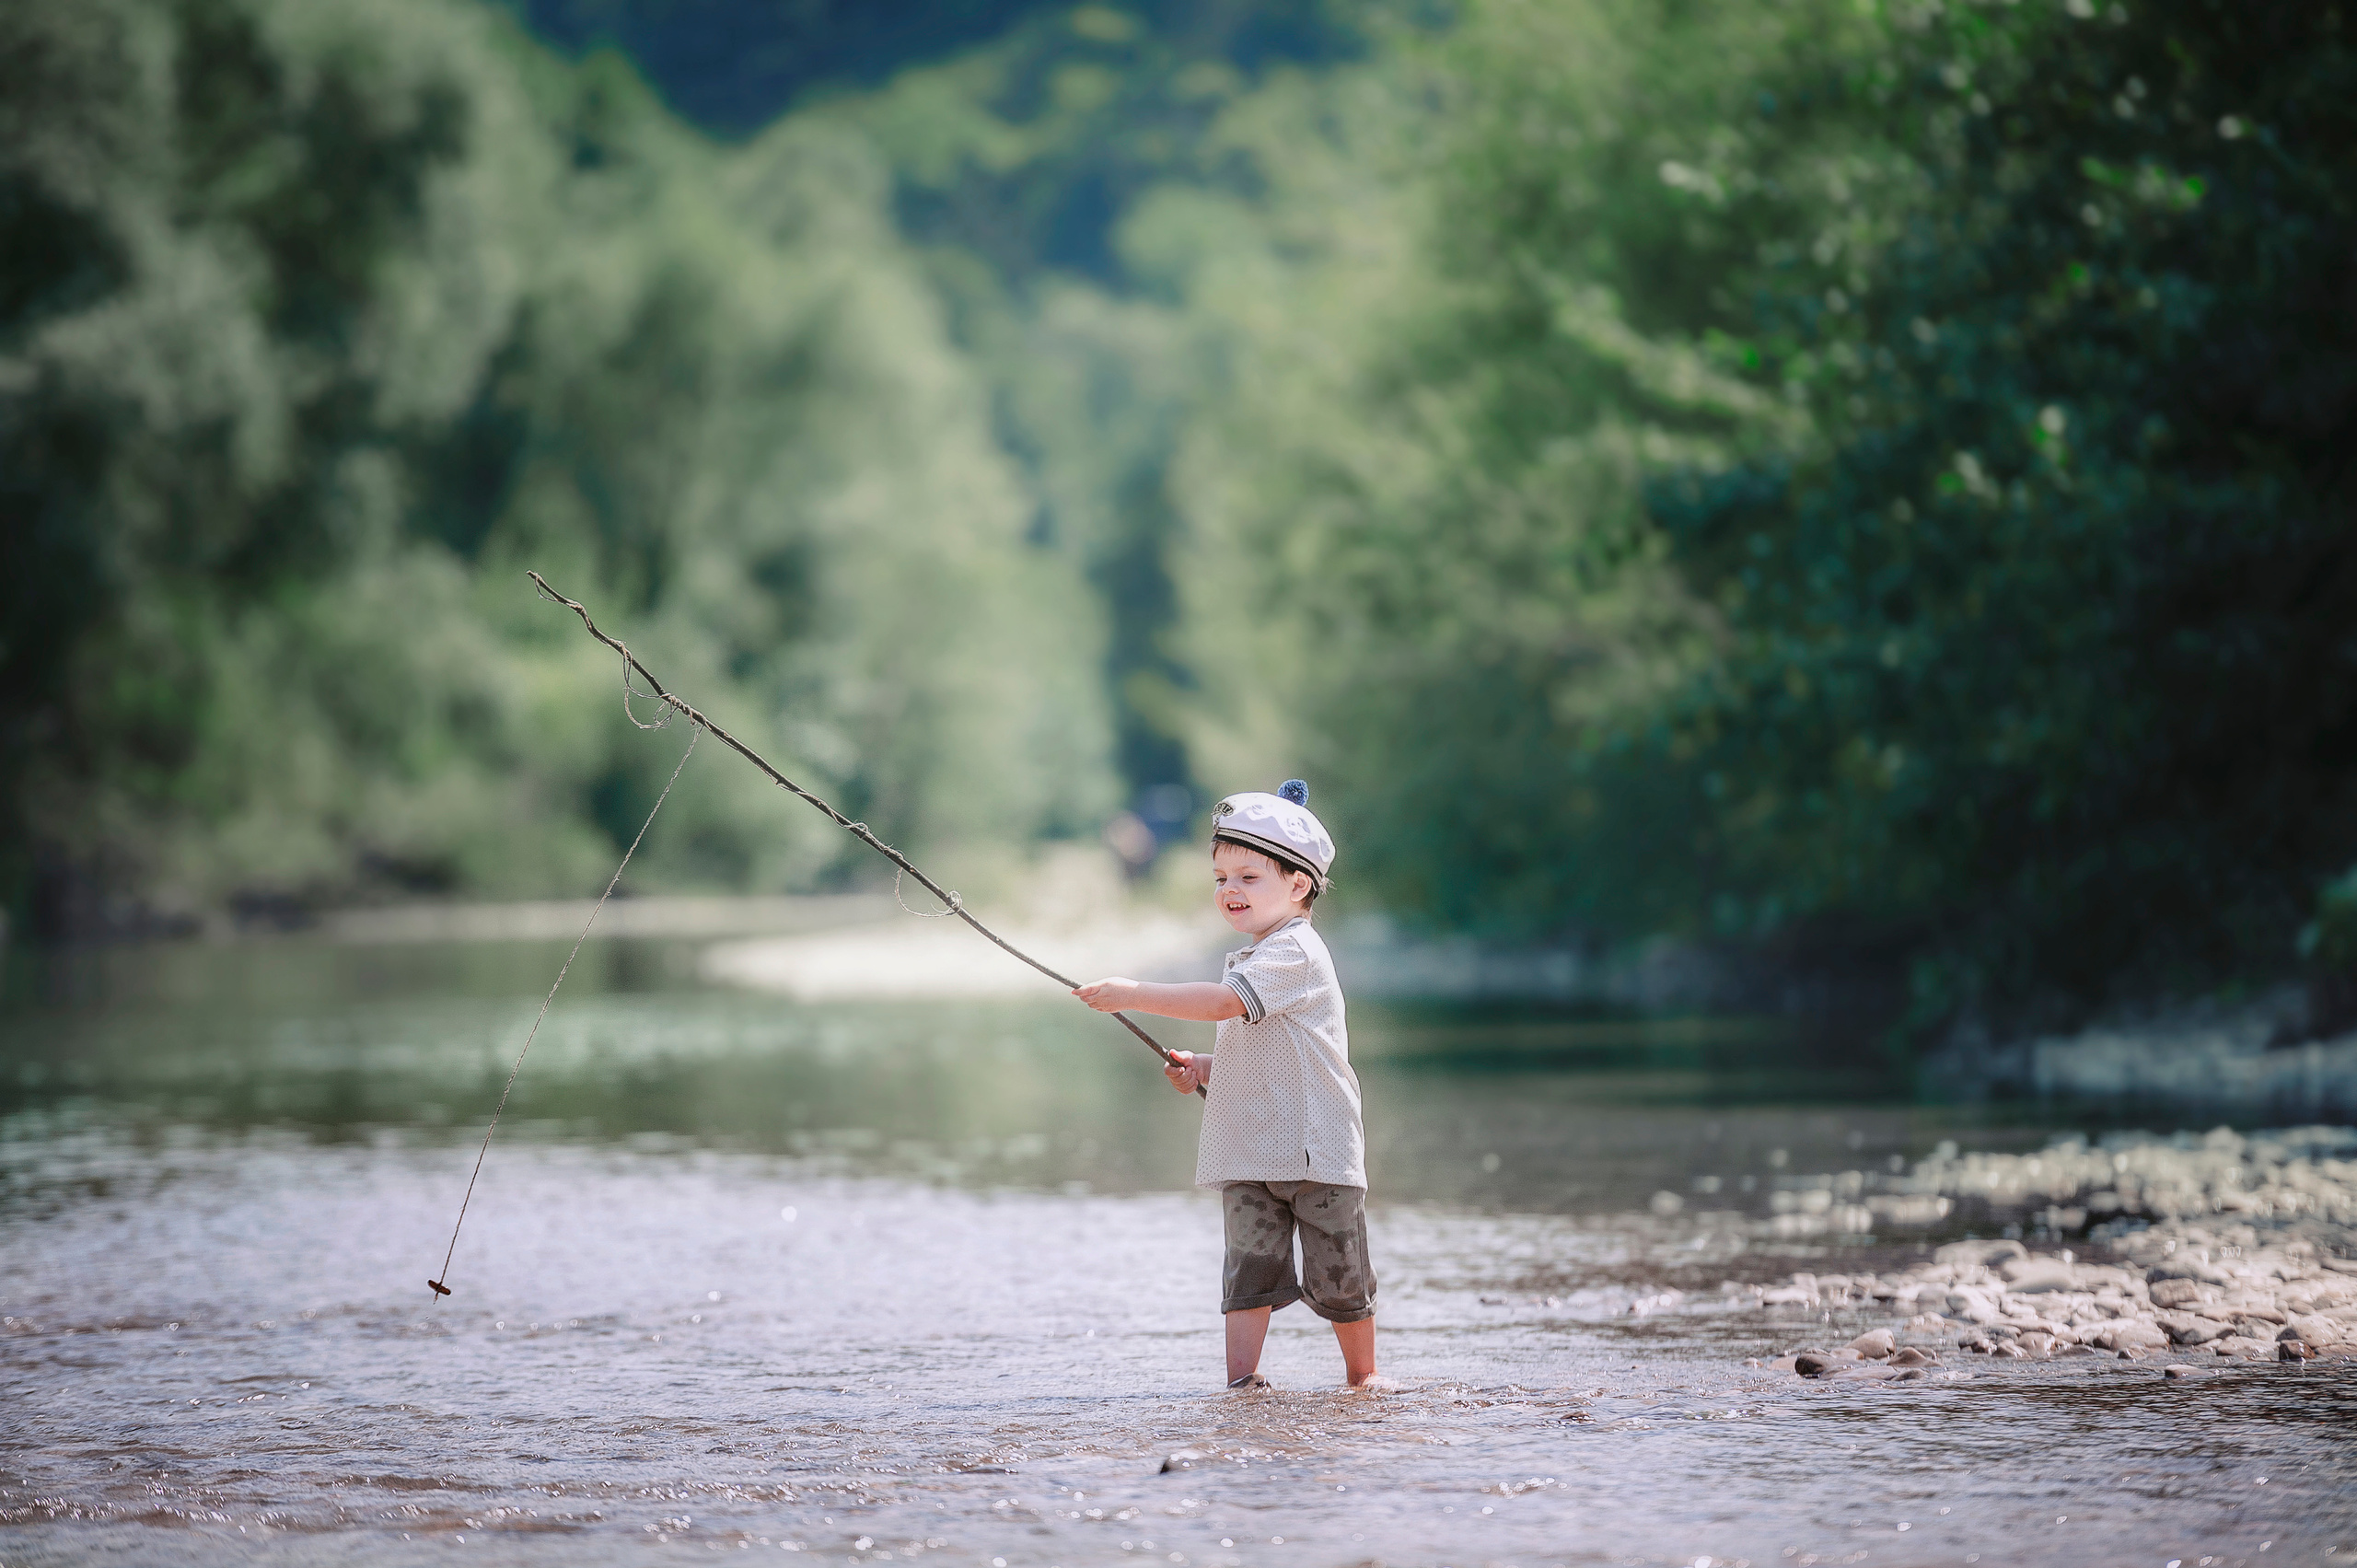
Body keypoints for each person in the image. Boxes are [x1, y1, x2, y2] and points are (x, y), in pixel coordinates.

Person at [1074, 780, 1379, 1390]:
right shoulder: (1253, 956)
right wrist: (1206, 1067)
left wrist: (1132, 993)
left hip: (1317, 1152)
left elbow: (1220, 1005)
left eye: (1247, 876)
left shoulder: (1296, 952)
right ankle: (1243, 1380)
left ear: (1297, 884)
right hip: (1252, 1150)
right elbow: (1259, 1045)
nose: (1229, 891)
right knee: (1247, 1269)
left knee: (1339, 1271)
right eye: (1220, 878)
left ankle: (1362, 1377)